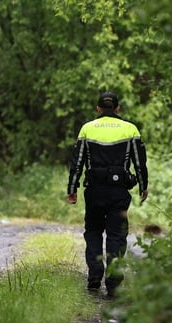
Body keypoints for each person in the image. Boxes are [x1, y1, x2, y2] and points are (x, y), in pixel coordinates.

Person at [67, 91, 149, 299]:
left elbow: (77, 162)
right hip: (119, 192)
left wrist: (72, 188)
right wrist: (143, 185)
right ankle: (113, 284)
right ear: (118, 108)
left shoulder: (87, 128)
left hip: (94, 191)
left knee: (93, 231)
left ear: (98, 109)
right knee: (116, 235)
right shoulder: (130, 129)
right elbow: (140, 162)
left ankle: (95, 275)